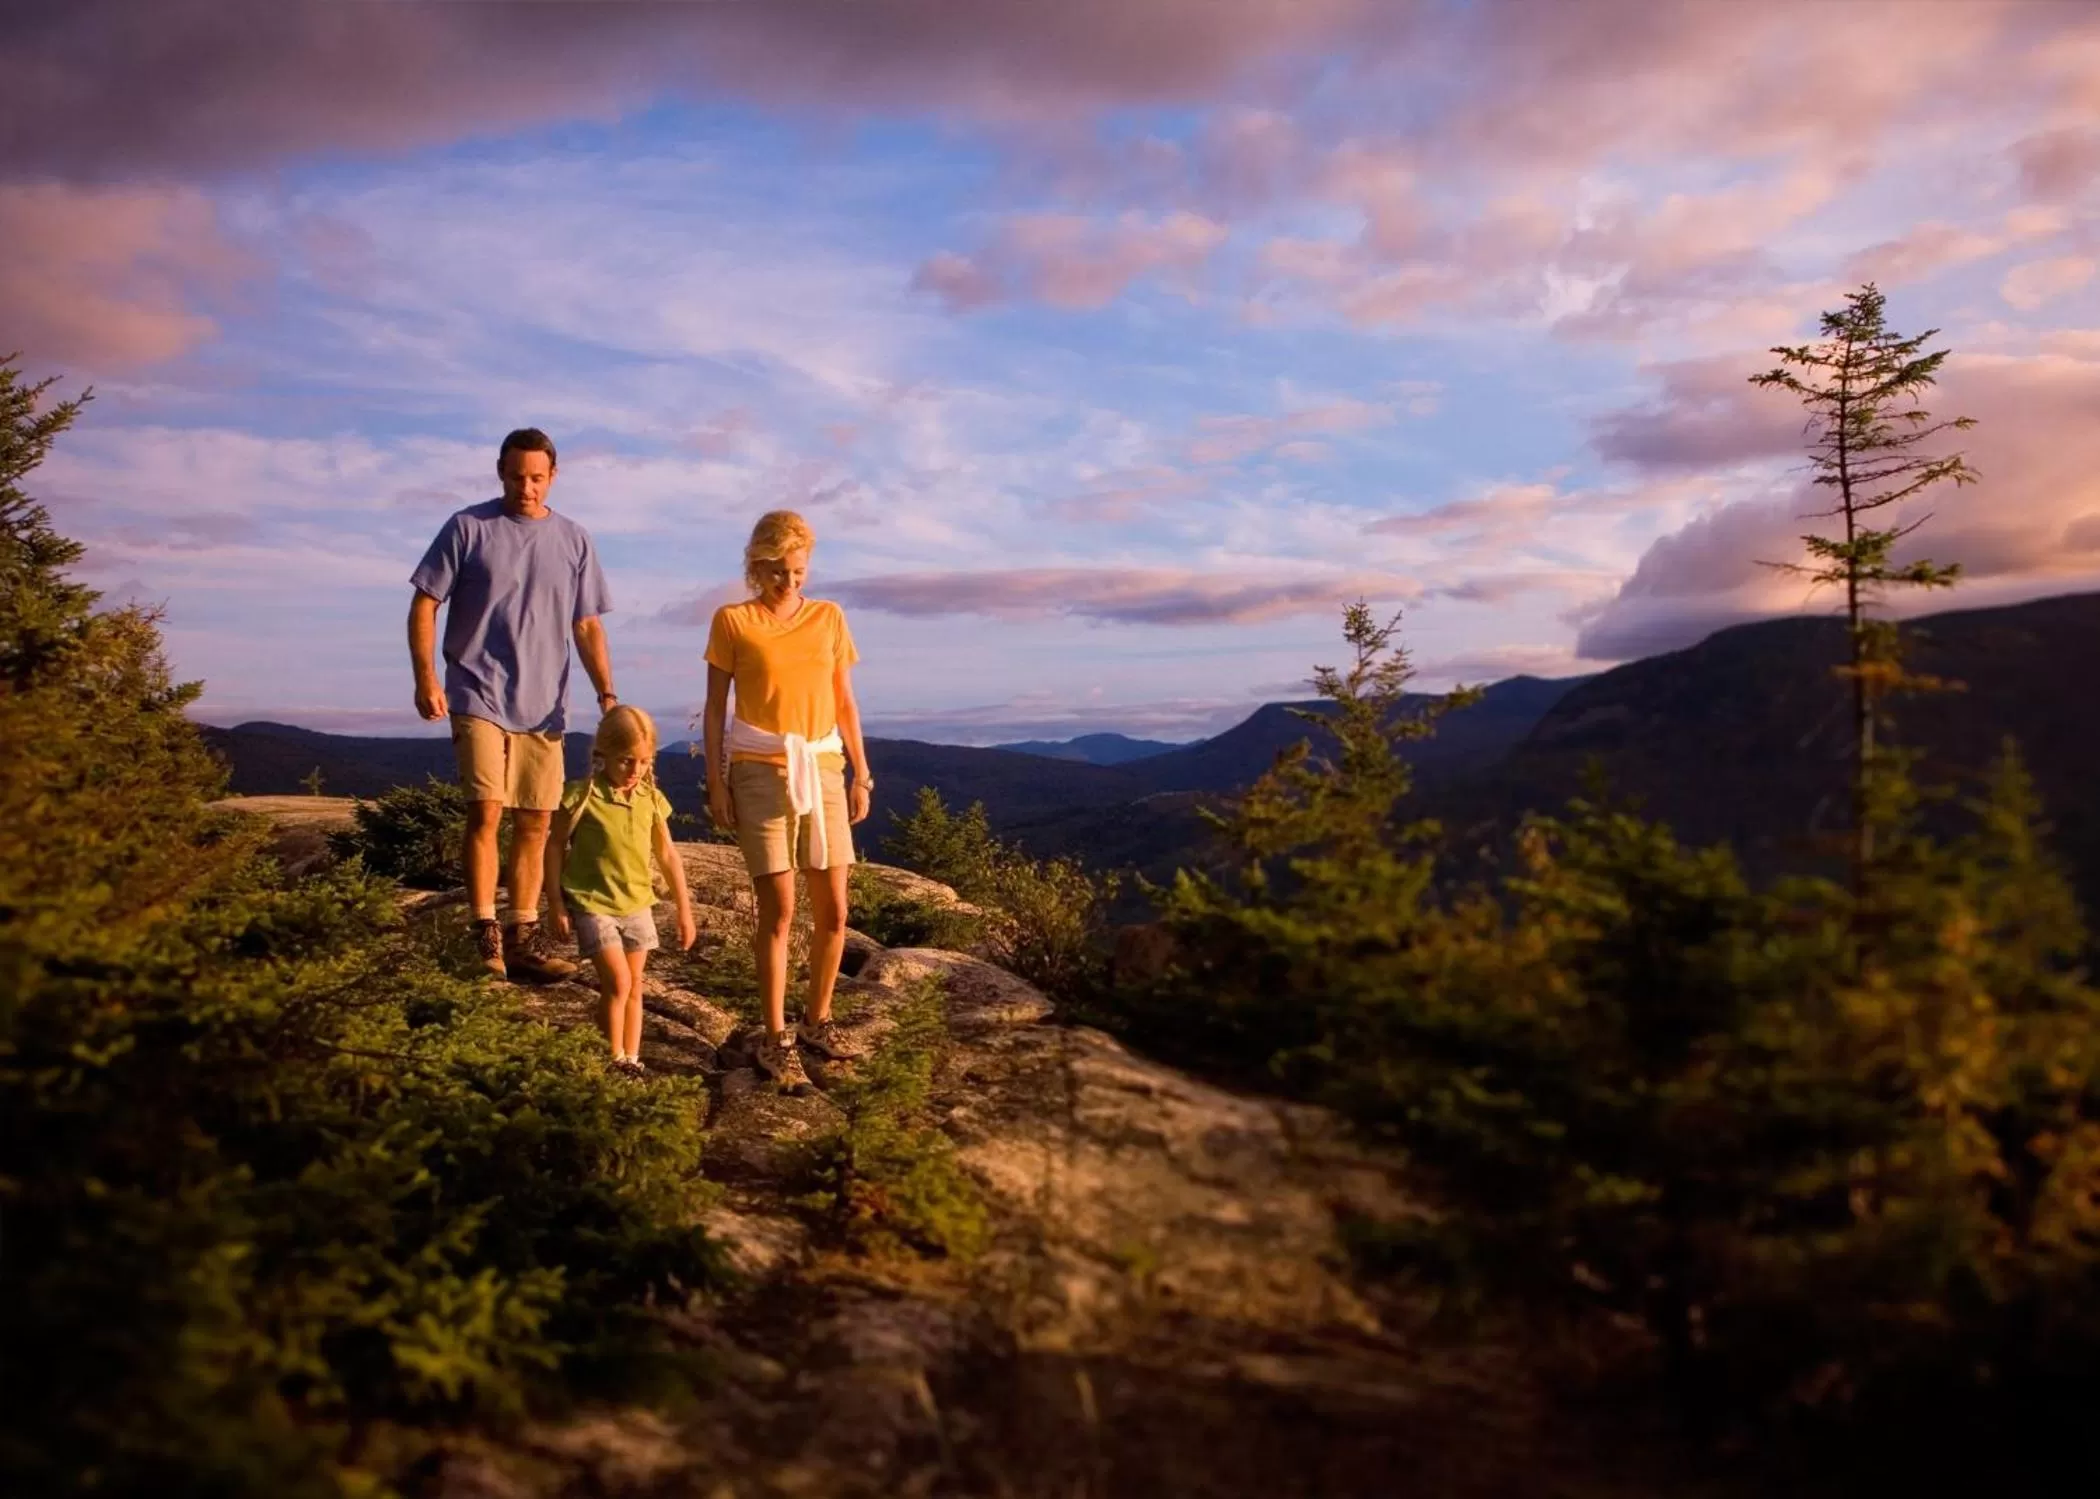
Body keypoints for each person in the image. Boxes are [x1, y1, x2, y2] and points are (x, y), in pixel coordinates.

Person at [407, 427, 616, 982]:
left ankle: (522, 934)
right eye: (518, 476)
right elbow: (425, 602)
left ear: (553, 477)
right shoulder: (468, 527)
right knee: (486, 809)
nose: (527, 487)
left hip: (545, 701)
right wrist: (426, 676)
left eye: (537, 477)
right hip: (476, 689)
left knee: (536, 820)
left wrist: (607, 694)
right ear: (501, 471)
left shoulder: (574, 539)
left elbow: (587, 624)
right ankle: (486, 937)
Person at [703, 510, 874, 1090]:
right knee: (778, 911)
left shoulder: (829, 618)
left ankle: (817, 1021)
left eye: (797, 571)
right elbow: (714, 710)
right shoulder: (733, 621)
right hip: (758, 768)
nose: (789, 581)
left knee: (835, 911)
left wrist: (861, 773)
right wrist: (716, 780)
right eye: (777, 570)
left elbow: (844, 701)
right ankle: (775, 1038)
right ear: (757, 566)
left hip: (824, 766)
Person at [545, 706, 696, 1073]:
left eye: (644, 762)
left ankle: (631, 1059)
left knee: (634, 987)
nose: (635, 771)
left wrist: (684, 909)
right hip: (592, 902)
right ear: (603, 755)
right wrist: (554, 903)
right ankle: (614, 1061)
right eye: (626, 761)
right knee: (618, 981)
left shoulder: (650, 799)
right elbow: (553, 846)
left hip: (637, 904)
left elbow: (667, 854)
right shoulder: (582, 795)